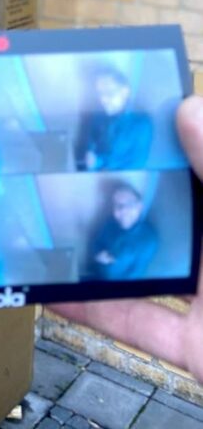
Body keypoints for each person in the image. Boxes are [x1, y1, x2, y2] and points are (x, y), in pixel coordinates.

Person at [53, 94, 203, 381]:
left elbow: (130, 274)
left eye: (124, 206)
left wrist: (107, 261)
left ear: (137, 205)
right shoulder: (111, 224)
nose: (118, 213)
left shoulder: (147, 237)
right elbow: (98, 247)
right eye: (116, 206)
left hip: (115, 292)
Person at [81, 65, 152, 171]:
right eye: (100, 94)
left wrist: (100, 162)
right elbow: (91, 140)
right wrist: (89, 153)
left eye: (109, 93)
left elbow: (137, 165)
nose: (103, 100)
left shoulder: (142, 124)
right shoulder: (98, 114)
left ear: (125, 91)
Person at [86, 183, 159, 281]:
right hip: (97, 274)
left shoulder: (149, 240)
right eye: (118, 206)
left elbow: (136, 274)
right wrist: (98, 254)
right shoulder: (110, 223)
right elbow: (97, 243)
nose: (123, 211)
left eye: (129, 204)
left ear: (140, 206)